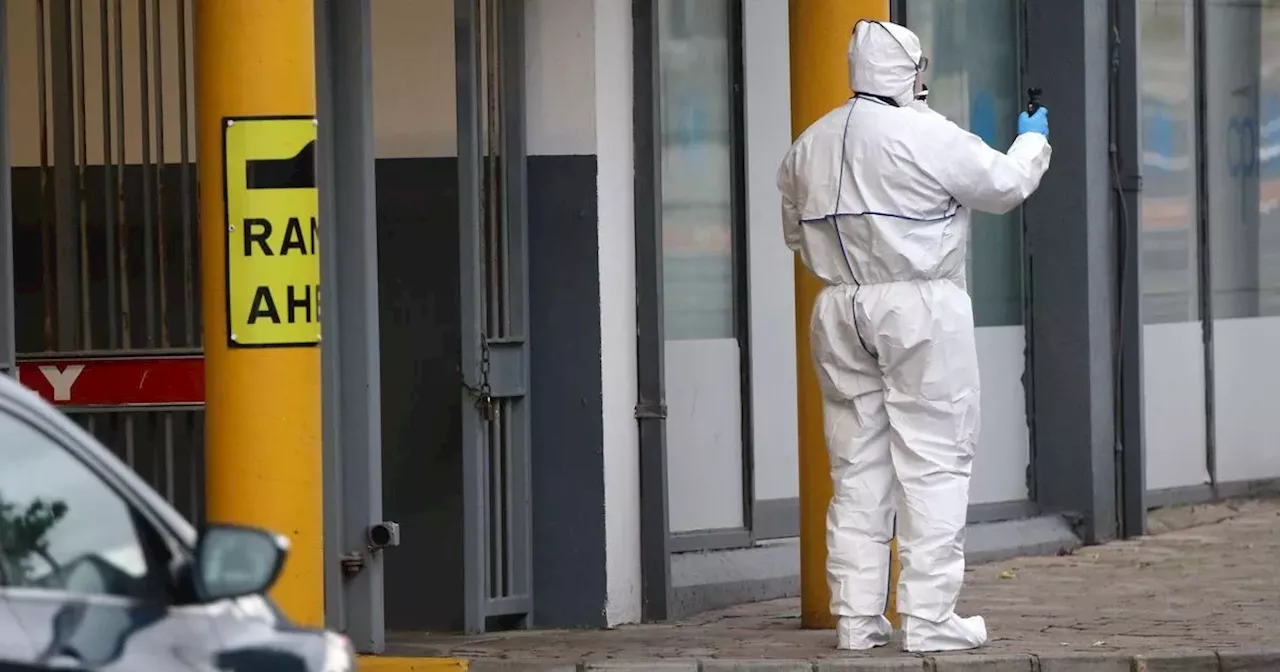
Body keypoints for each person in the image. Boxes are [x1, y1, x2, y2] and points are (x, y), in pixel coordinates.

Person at [776, 20, 1051, 653]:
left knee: (857, 465)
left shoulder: (808, 145)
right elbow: (1005, 186)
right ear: (912, 73)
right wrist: (1032, 143)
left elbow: (794, 233)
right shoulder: (927, 134)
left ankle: (856, 618)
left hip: (840, 307)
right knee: (934, 458)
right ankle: (928, 618)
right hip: (921, 304)